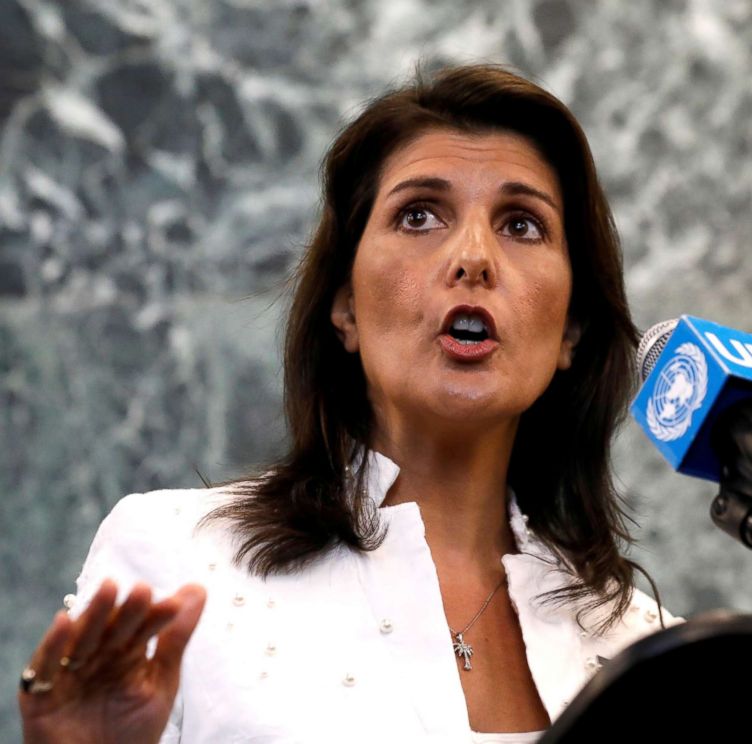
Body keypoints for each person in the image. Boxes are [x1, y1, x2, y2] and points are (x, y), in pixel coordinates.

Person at [18, 63, 680, 743]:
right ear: (345, 308)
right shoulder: (176, 559)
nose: (474, 256)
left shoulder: (643, 650)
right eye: (419, 215)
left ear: (570, 330)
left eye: (521, 224)